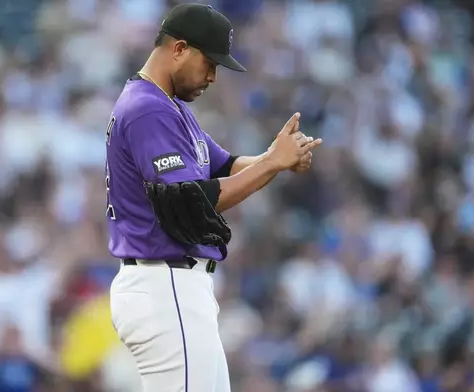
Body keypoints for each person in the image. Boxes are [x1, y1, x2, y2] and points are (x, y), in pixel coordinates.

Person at [106, 3, 322, 391]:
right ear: (179, 49)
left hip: (171, 286)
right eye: (209, 63)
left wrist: (275, 158)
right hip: (163, 284)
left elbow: (222, 167)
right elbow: (191, 199)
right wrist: (272, 164)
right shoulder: (147, 109)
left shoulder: (169, 107)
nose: (213, 76)